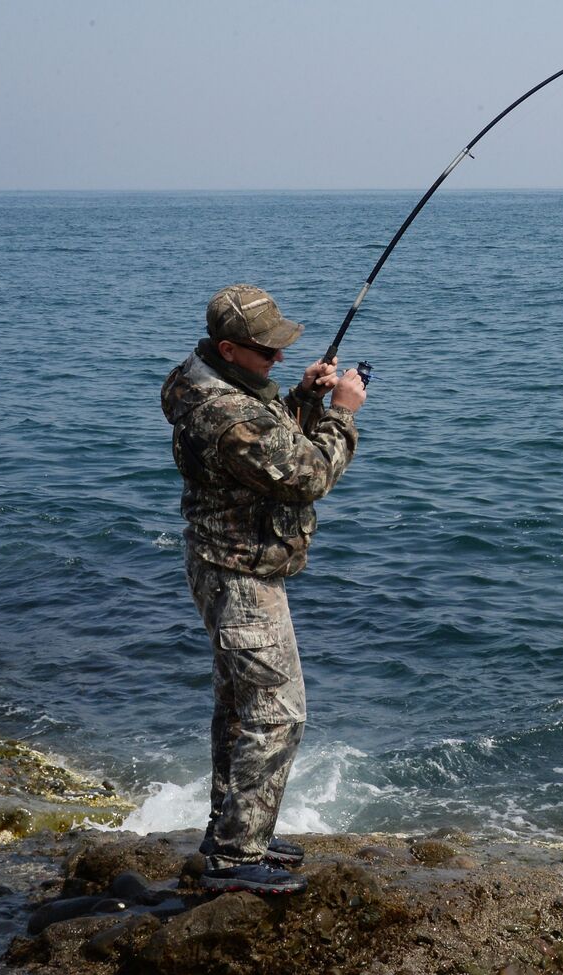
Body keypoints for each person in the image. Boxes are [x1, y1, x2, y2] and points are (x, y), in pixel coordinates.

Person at [161, 284, 367, 894]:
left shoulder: (200, 378)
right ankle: (235, 857)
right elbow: (308, 474)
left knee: (238, 708)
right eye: (267, 351)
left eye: (280, 350)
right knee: (278, 714)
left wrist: (304, 397)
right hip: (241, 577)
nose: (278, 359)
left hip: (220, 561)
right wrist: (342, 411)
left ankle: (231, 828)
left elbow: (268, 445)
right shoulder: (230, 414)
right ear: (228, 349)